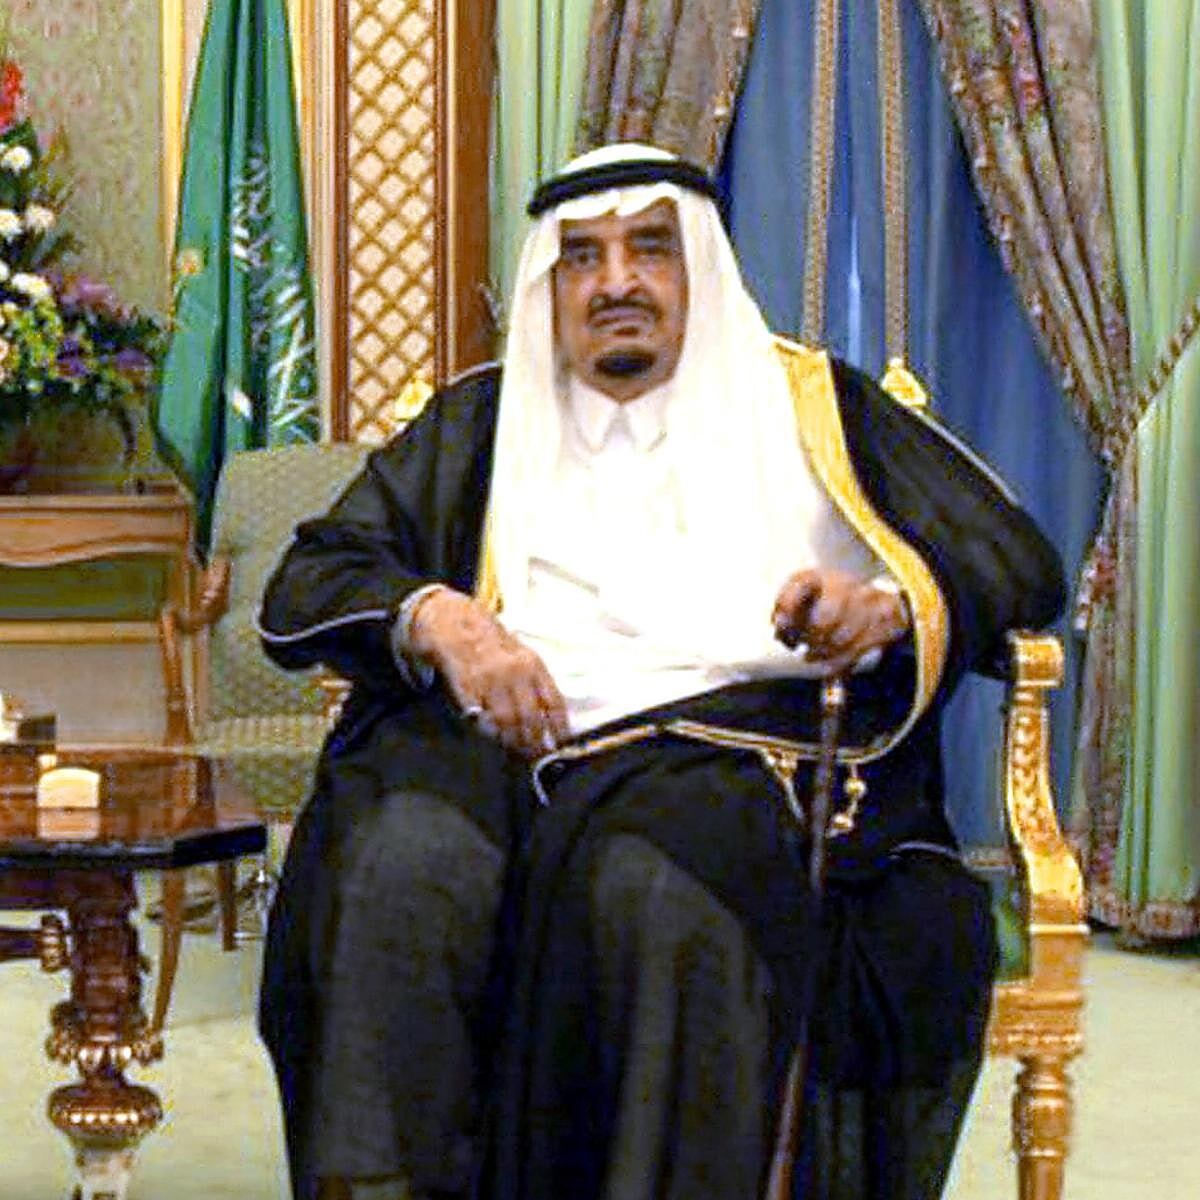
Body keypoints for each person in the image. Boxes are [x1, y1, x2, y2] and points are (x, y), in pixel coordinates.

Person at [257, 143, 1065, 1200]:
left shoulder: (816, 408)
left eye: (650, 249)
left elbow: (1016, 559)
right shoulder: (482, 420)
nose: (617, 283)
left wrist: (882, 606)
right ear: (550, 286)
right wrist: (445, 620)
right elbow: (312, 576)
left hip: (728, 750)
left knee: (657, 895)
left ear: (700, 270)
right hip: (502, 744)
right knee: (398, 866)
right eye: (582, 258)